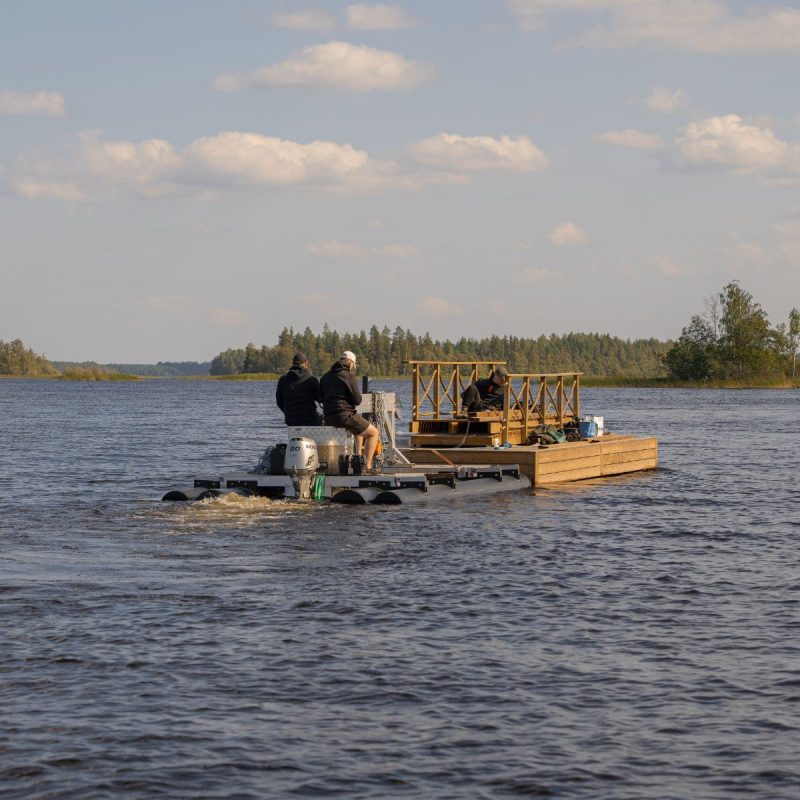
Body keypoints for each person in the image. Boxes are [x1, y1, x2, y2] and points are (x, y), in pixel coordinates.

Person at [320, 350, 380, 472]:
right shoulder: (349, 375)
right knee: (374, 433)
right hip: (344, 416)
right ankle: (367, 465)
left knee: (358, 429)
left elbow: (320, 398)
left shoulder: (325, 377)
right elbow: (357, 400)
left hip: (328, 417)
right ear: (351, 363)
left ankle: (358, 458)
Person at [275, 353, 322, 426]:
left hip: (291, 420)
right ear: (306, 364)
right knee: (327, 421)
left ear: (293, 364)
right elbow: (320, 398)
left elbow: (279, 401)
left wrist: (288, 413)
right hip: (310, 419)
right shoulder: (311, 379)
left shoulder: (283, 380)